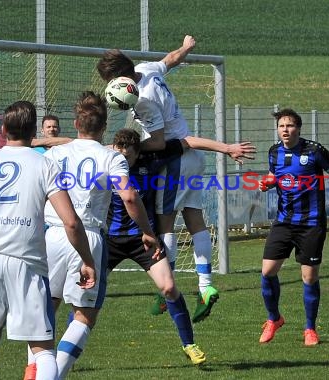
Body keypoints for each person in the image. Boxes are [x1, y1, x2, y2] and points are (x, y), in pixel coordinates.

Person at [97, 35, 256, 323]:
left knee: (165, 221)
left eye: (111, 82)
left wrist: (126, 148)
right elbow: (170, 60)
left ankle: (168, 288)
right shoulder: (146, 69)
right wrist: (186, 48)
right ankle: (205, 285)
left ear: (121, 78)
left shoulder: (142, 100)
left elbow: (157, 142)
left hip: (176, 160)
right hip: (193, 157)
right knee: (195, 218)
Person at [0, 100, 97, 380]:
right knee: (43, 349)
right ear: (35, 132)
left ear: (4, 129)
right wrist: (87, 259)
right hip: (27, 264)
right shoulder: (45, 165)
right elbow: (70, 221)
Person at [23, 91, 161, 380]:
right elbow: (130, 197)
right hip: (87, 238)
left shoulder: (54, 154)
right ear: (104, 126)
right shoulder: (111, 157)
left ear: (75, 123)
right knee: (84, 315)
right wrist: (148, 233)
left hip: (52, 235)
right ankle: (52, 376)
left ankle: (34, 370)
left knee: (46, 308)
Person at [107, 128, 209, 364]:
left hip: (144, 239)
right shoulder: (106, 161)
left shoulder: (149, 161)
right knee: (87, 295)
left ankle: (190, 345)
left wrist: (226, 148)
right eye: (118, 152)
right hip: (110, 240)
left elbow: (186, 142)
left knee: (169, 288)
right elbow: (76, 142)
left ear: (137, 152)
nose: (122, 158)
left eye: (128, 154)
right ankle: (57, 353)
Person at [257, 108, 329, 346]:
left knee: (308, 276)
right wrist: (267, 183)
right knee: (267, 271)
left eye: (290, 126)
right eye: (282, 126)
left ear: (298, 128)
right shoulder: (274, 152)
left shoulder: (314, 150)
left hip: (311, 223)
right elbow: (273, 176)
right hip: (284, 221)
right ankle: (274, 319)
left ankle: (310, 329)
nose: (285, 130)